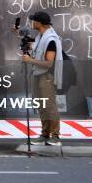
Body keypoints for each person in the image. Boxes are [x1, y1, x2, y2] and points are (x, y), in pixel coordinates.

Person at [22, 11, 63, 146]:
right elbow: (35, 47)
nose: (32, 23)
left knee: (50, 106)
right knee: (42, 106)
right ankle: (45, 134)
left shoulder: (50, 39)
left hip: (46, 77)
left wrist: (30, 60)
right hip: (38, 74)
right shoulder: (41, 36)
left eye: (34, 20)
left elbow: (49, 63)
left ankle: (55, 137)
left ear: (39, 23)